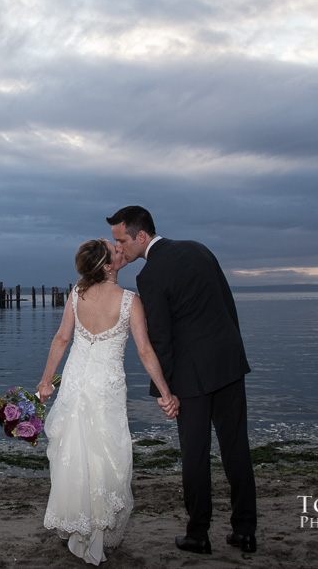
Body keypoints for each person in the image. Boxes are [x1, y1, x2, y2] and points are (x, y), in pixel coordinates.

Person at [107, 205, 257, 555]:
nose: (119, 249)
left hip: (191, 376)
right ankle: (245, 530)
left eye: (121, 240)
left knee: (195, 453)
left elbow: (161, 340)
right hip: (229, 363)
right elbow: (227, 304)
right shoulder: (198, 248)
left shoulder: (151, 276)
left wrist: (165, 391)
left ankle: (198, 533)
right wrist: (232, 350)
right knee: (237, 449)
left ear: (141, 236)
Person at [37, 238, 179, 565]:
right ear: (107, 265)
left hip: (76, 380)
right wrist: (166, 394)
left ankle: (82, 531)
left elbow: (61, 338)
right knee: (106, 453)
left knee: (77, 452)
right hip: (105, 386)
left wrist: (47, 380)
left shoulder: (76, 294)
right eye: (113, 250)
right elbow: (145, 352)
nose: (119, 250)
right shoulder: (130, 301)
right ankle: (94, 534)